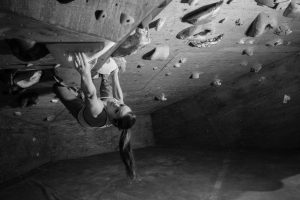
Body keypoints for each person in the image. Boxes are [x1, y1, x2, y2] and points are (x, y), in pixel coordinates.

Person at [53, 52, 137, 179]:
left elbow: (91, 95)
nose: (117, 105)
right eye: (121, 106)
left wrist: (84, 72)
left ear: (113, 120)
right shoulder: (119, 109)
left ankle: (76, 89)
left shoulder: (98, 114)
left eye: (117, 110)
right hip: (101, 107)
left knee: (58, 86)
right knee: (106, 83)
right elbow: (119, 98)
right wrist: (115, 74)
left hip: (83, 114)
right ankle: (101, 76)